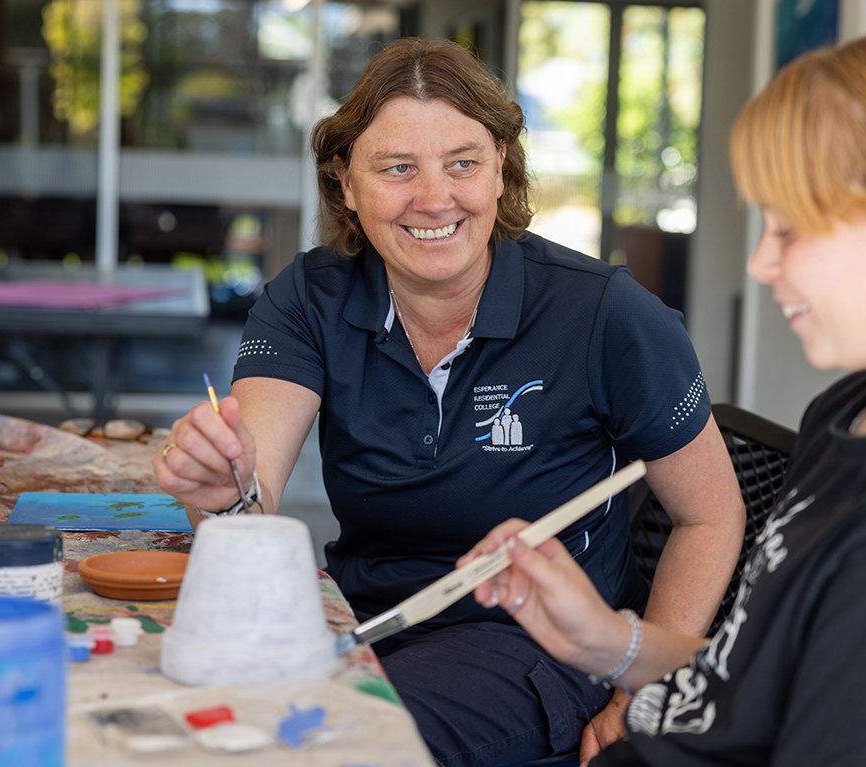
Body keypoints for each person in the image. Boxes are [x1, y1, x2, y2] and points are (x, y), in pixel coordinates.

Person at [465, 19, 866, 766]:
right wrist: (607, 639)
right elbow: (754, 684)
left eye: (790, 229)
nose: (759, 262)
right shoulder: (853, 413)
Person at [152, 37, 745, 767]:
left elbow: (709, 512)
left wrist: (634, 690)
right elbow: (251, 497)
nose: (433, 198)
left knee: (323, 746)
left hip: (534, 649)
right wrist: (222, 492)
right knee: (180, 717)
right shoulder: (310, 298)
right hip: (361, 622)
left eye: (462, 163)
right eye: (397, 168)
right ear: (345, 183)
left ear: (501, 167)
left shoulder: (604, 313)